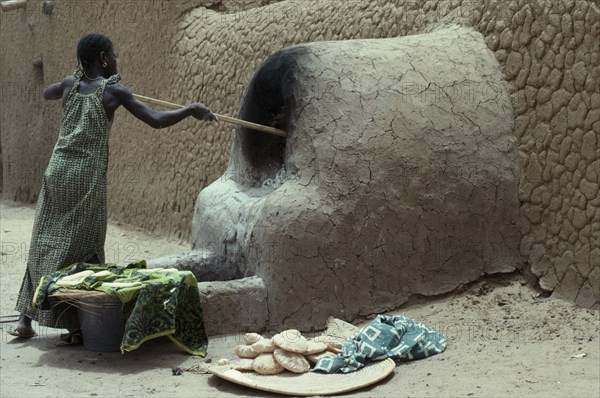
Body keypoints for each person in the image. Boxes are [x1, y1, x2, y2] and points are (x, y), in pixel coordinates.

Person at [9, 33, 217, 338]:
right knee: (81, 250)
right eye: (114, 54)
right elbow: (156, 120)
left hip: (57, 172)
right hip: (85, 179)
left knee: (44, 242)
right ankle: (78, 324)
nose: (117, 59)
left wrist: (65, 82)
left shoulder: (69, 85)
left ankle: (25, 320)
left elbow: (47, 92)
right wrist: (190, 109)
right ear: (103, 59)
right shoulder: (114, 92)